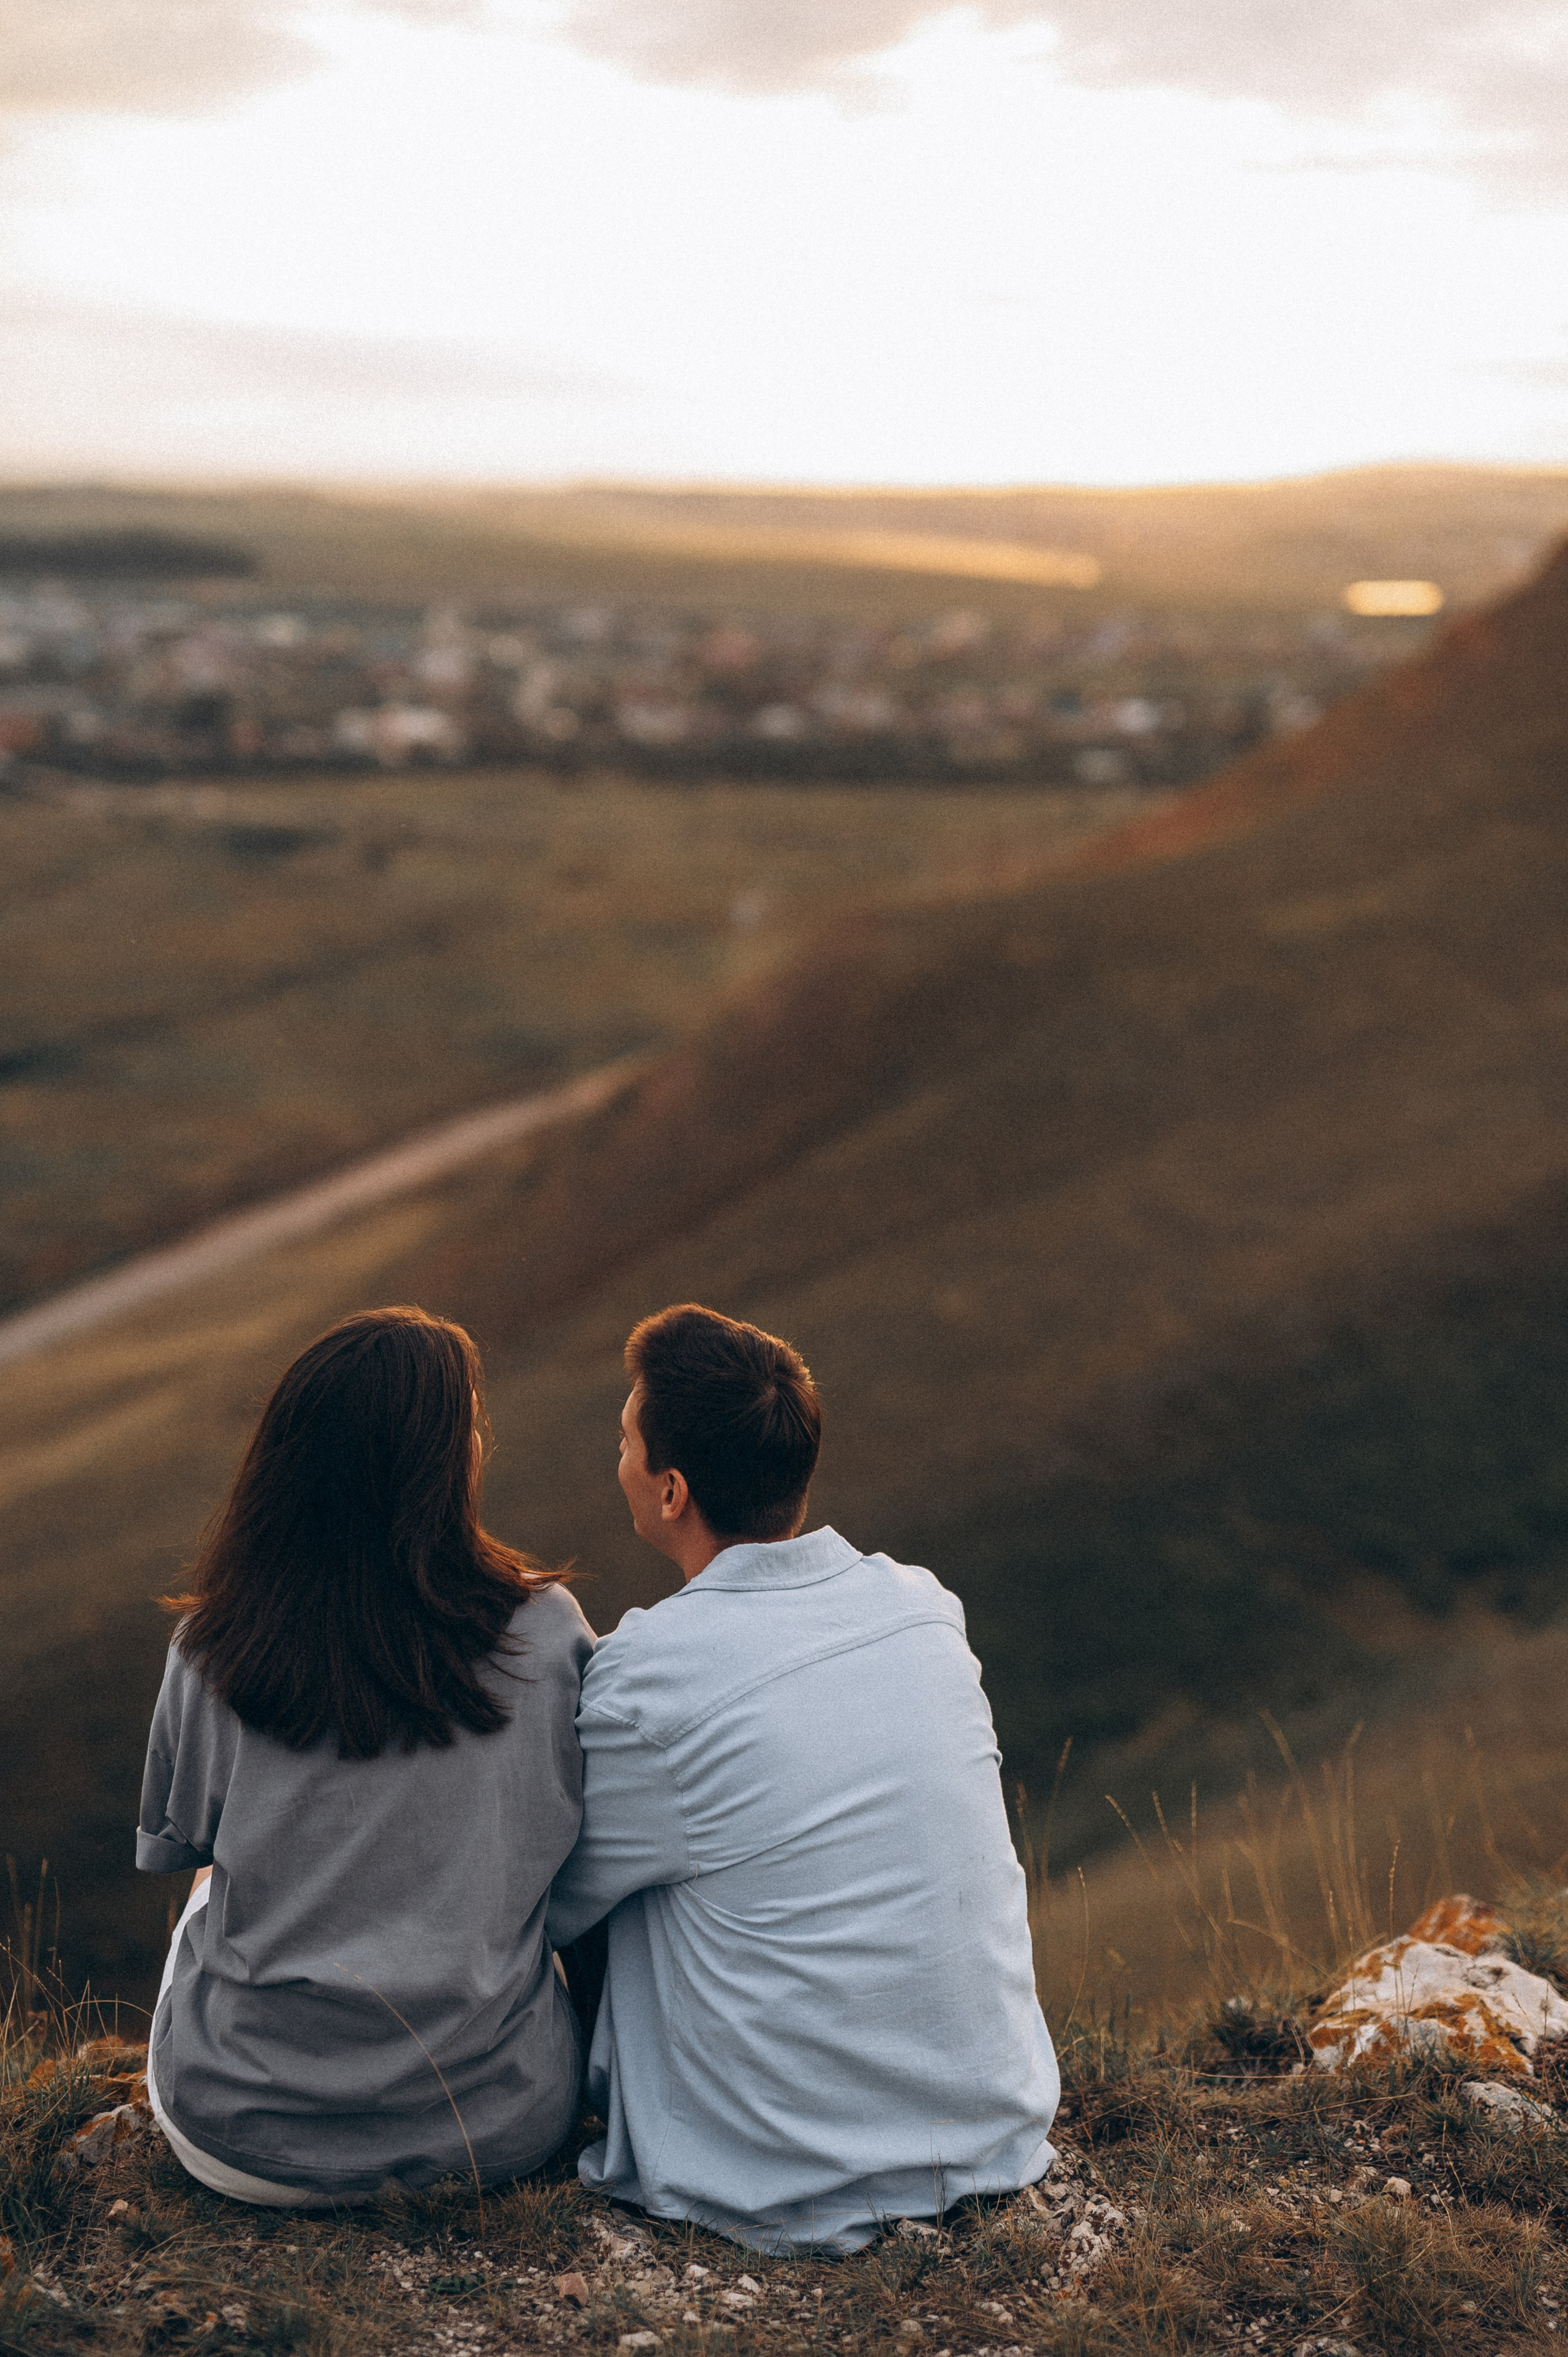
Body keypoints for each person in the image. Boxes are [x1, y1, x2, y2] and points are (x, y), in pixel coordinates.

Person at [546, 1302, 1059, 2252]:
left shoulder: (651, 1674)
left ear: (672, 1491)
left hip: (779, 2176)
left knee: (640, 1867)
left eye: (625, 1443)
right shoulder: (923, 1609)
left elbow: (555, 1903)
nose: (617, 1460)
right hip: (994, 2131)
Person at [136, 1305, 594, 2206]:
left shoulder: (212, 1647)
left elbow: (181, 1846)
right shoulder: (546, 1637)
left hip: (245, 2140)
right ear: (443, 1463)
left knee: (208, 1888)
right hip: (494, 2130)